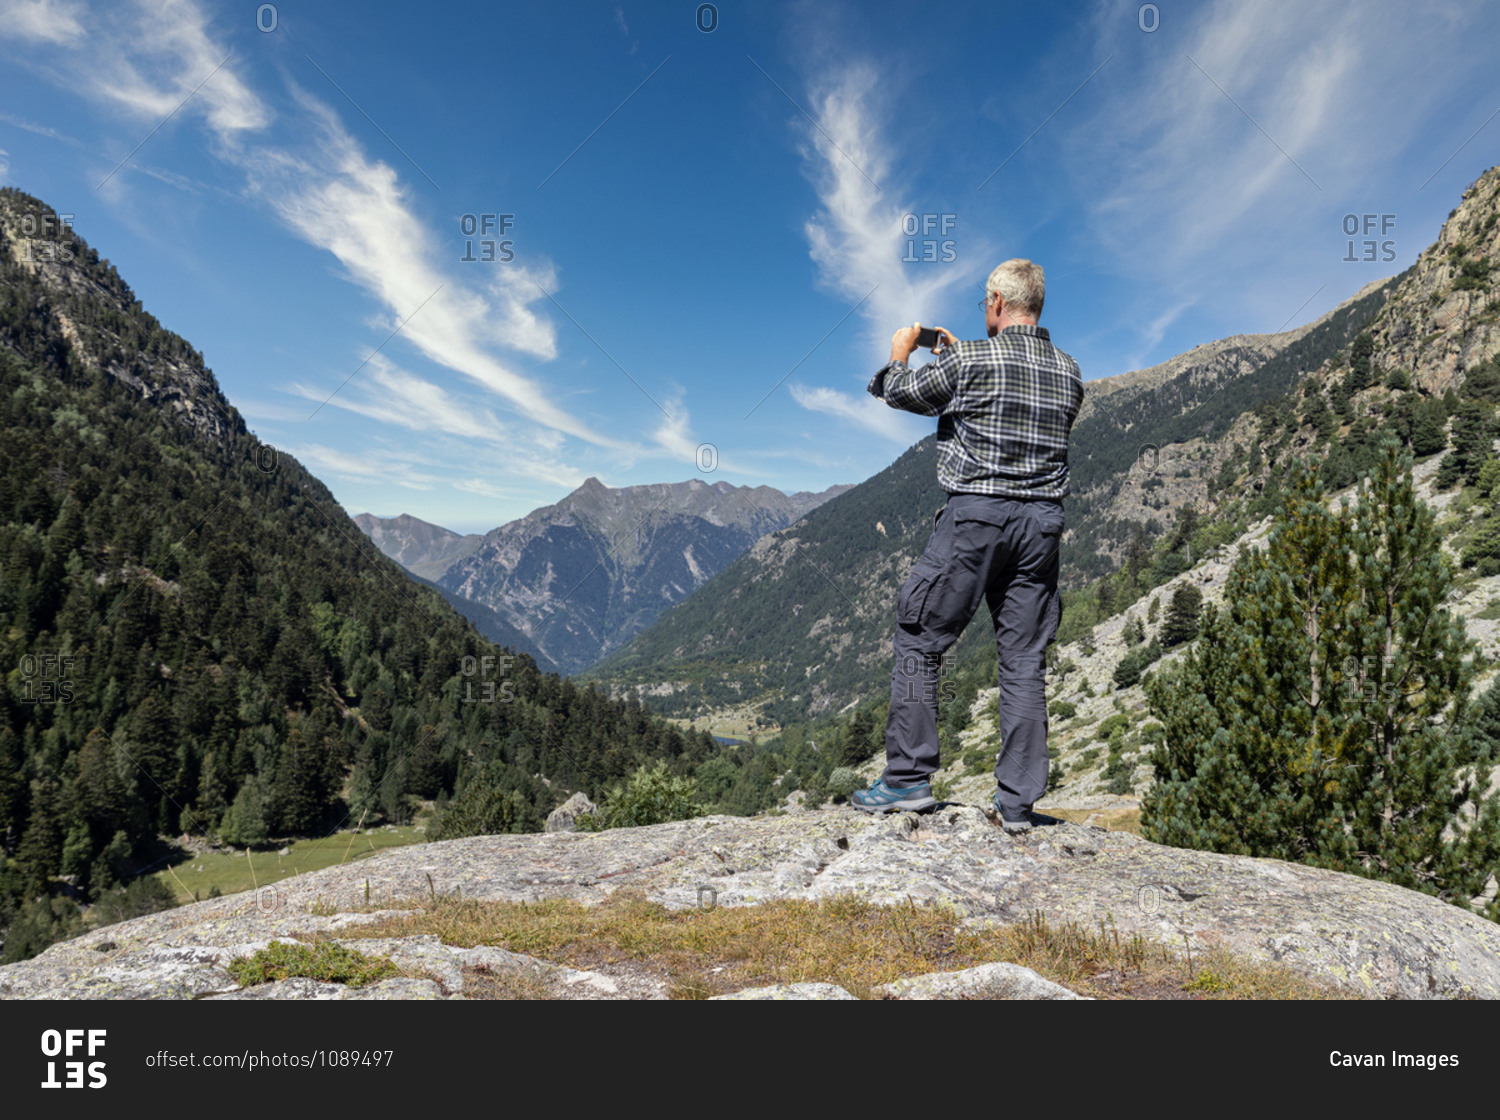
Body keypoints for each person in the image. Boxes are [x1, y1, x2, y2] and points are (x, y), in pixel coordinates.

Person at [851, 259, 1083, 832]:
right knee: (1024, 658)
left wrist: (903, 350)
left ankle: (907, 779)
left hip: (977, 518)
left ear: (997, 303)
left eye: (985, 304)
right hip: (1042, 526)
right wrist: (952, 362)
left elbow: (899, 392)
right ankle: (1017, 802)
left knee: (921, 632)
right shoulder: (1070, 372)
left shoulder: (970, 360)